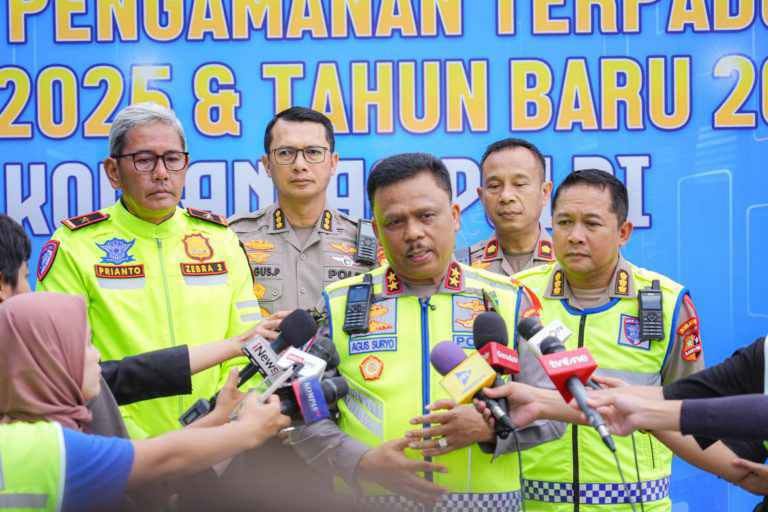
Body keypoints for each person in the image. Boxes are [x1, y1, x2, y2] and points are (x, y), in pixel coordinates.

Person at [300, 152, 562, 511]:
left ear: (454, 217)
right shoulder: (340, 304)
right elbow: (299, 410)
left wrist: (491, 429)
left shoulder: (508, 300)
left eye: (426, 215)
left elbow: (555, 408)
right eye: (394, 222)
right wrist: (358, 461)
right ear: (376, 231)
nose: (413, 233)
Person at [36, 103, 260, 438]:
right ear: (113, 171)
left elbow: (248, 345)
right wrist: (127, 437)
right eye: (144, 160)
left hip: (216, 439)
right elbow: (62, 364)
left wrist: (221, 419)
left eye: (172, 159)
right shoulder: (74, 245)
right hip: (117, 446)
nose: (160, 173)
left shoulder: (220, 239)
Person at [511, 169, 705, 511]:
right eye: (565, 222)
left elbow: (692, 409)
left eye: (592, 223)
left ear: (624, 232)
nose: (575, 236)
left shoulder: (667, 303)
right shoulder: (517, 297)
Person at [0, 291, 290, 512]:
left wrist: (217, 418)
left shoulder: (17, 434)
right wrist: (248, 430)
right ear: (51, 359)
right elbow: (160, 460)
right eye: (86, 343)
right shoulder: (47, 447)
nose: (98, 355)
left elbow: (139, 462)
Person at [229, 106, 378, 317]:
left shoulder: (367, 241)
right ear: (267, 165)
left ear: (333, 163)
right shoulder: (234, 238)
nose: (300, 165)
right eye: (285, 153)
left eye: (313, 152)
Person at [458, 138, 555, 274]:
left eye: (519, 184)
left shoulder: (568, 262)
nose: (506, 196)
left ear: (545, 192)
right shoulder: (461, 267)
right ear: (481, 197)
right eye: (494, 186)